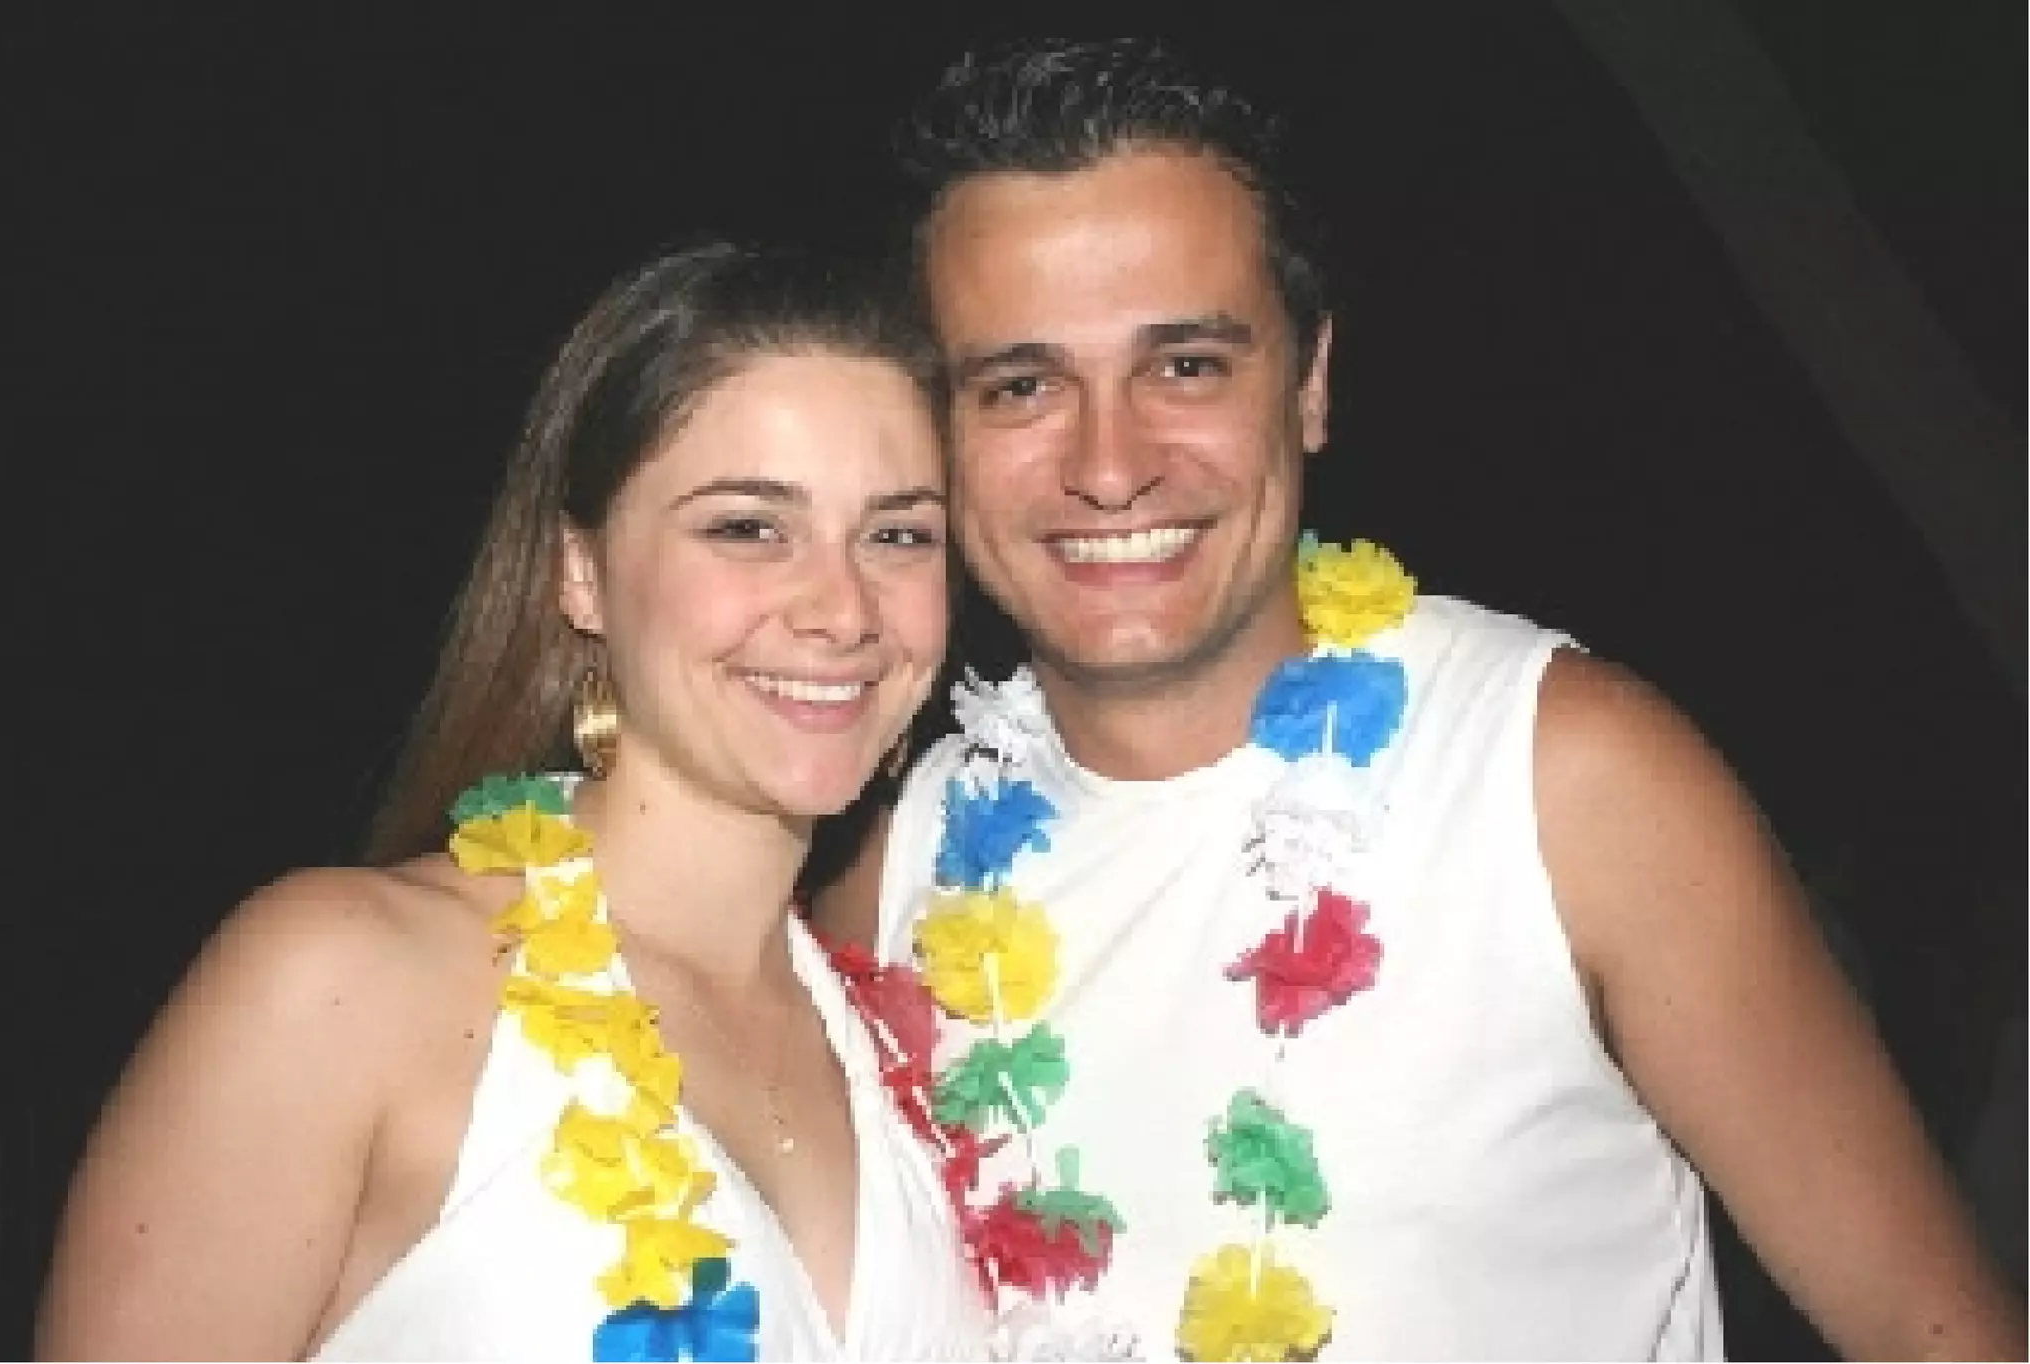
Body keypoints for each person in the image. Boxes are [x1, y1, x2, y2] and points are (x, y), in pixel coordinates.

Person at [815, 38, 2025, 1361]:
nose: (1109, 466)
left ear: (1310, 383)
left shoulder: (1562, 778)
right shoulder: (899, 870)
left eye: (1187, 367)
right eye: (1022, 387)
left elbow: (1938, 1332)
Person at [36, 241, 993, 1360]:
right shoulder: (343, 980)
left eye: (897, 535)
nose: (842, 609)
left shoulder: (902, 1055)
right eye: (748, 527)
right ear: (580, 572)